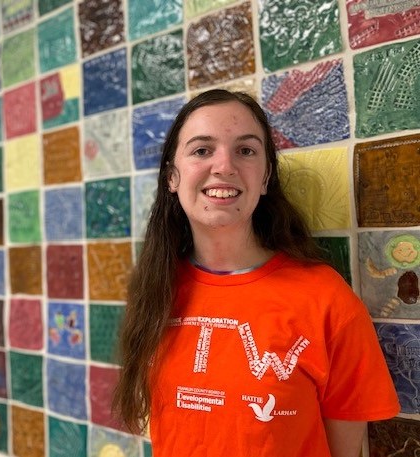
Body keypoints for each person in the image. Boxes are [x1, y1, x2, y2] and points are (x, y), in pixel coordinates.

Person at [113, 89, 400, 456]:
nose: (225, 166)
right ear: (172, 176)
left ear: (265, 178)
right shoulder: (155, 289)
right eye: (202, 150)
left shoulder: (326, 299)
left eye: (245, 151)